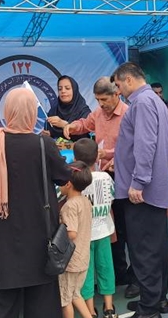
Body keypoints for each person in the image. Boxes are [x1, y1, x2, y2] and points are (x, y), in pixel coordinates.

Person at [0, 87, 71, 318]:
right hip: (39, 239)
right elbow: (63, 176)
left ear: (7, 111)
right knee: (42, 311)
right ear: (31, 113)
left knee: (0, 311)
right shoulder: (43, 145)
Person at [57, 77, 135, 296]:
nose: (101, 104)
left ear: (116, 94)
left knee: (126, 228)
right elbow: (85, 124)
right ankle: (117, 273)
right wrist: (71, 126)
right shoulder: (99, 113)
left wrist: (109, 155)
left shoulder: (128, 114)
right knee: (110, 229)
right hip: (102, 175)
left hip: (123, 176)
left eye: (104, 100)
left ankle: (135, 277)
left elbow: (132, 146)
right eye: (98, 100)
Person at [112, 63, 168, 318]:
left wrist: (138, 181)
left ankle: (149, 310)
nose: (118, 90)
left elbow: (145, 143)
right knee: (155, 246)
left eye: (117, 85)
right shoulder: (154, 100)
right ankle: (157, 299)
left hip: (142, 191)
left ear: (127, 80)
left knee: (144, 249)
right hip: (153, 188)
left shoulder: (141, 102)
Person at [59, 161, 106, 318]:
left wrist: (57, 232)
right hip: (83, 256)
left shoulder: (69, 206)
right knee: (75, 293)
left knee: (64, 298)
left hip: (70, 260)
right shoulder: (86, 201)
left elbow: (71, 233)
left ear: (68, 184)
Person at [73, 139, 119, 318]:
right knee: (106, 267)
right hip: (104, 231)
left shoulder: (76, 180)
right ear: (97, 157)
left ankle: (90, 311)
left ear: (75, 159)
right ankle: (109, 308)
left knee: (86, 272)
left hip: (83, 236)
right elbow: (112, 197)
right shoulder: (105, 177)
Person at [45, 75, 91, 142]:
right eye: (60, 89)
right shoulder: (53, 111)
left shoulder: (84, 111)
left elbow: (84, 135)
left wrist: (64, 125)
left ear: (74, 90)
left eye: (67, 88)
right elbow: (51, 134)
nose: (63, 91)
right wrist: (48, 135)